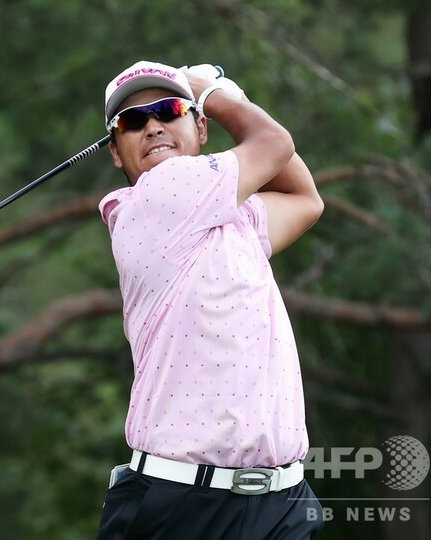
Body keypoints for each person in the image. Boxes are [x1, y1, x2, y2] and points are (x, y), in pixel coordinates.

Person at [94, 60, 325, 539]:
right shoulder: (161, 194)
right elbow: (275, 145)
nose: (153, 126)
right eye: (132, 121)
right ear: (116, 151)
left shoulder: (228, 218)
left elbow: (306, 200)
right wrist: (214, 93)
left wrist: (226, 99)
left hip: (280, 501)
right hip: (183, 506)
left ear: (200, 128)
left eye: (169, 110)